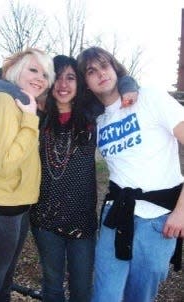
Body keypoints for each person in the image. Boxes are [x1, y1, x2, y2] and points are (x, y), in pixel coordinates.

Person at [77, 46, 184, 302]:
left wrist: (181, 211)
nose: (100, 73)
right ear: (87, 83)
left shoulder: (150, 98)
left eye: (104, 65)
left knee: (140, 296)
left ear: (115, 68)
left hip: (159, 219)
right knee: (105, 295)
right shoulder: (97, 121)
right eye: (91, 71)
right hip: (116, 215)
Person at [29, 54, 139, 302]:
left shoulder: (92, 114)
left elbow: (115, 84)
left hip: (83, 220)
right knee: (52, 286)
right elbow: (11, 85)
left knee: (82, 288)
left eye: (70, 78)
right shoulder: (38, 114)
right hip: (44, 218)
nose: (63, 85)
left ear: (79, 83)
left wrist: (129, 85)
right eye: (57, 78)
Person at [0, 48, 55, 302]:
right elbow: (6, 164)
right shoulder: (4, 103)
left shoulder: (21, 104)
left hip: (15, 206)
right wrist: (30, 122)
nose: (41, 77)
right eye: (33, 69)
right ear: (16, 71)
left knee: (2, 280)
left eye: (45, 73)